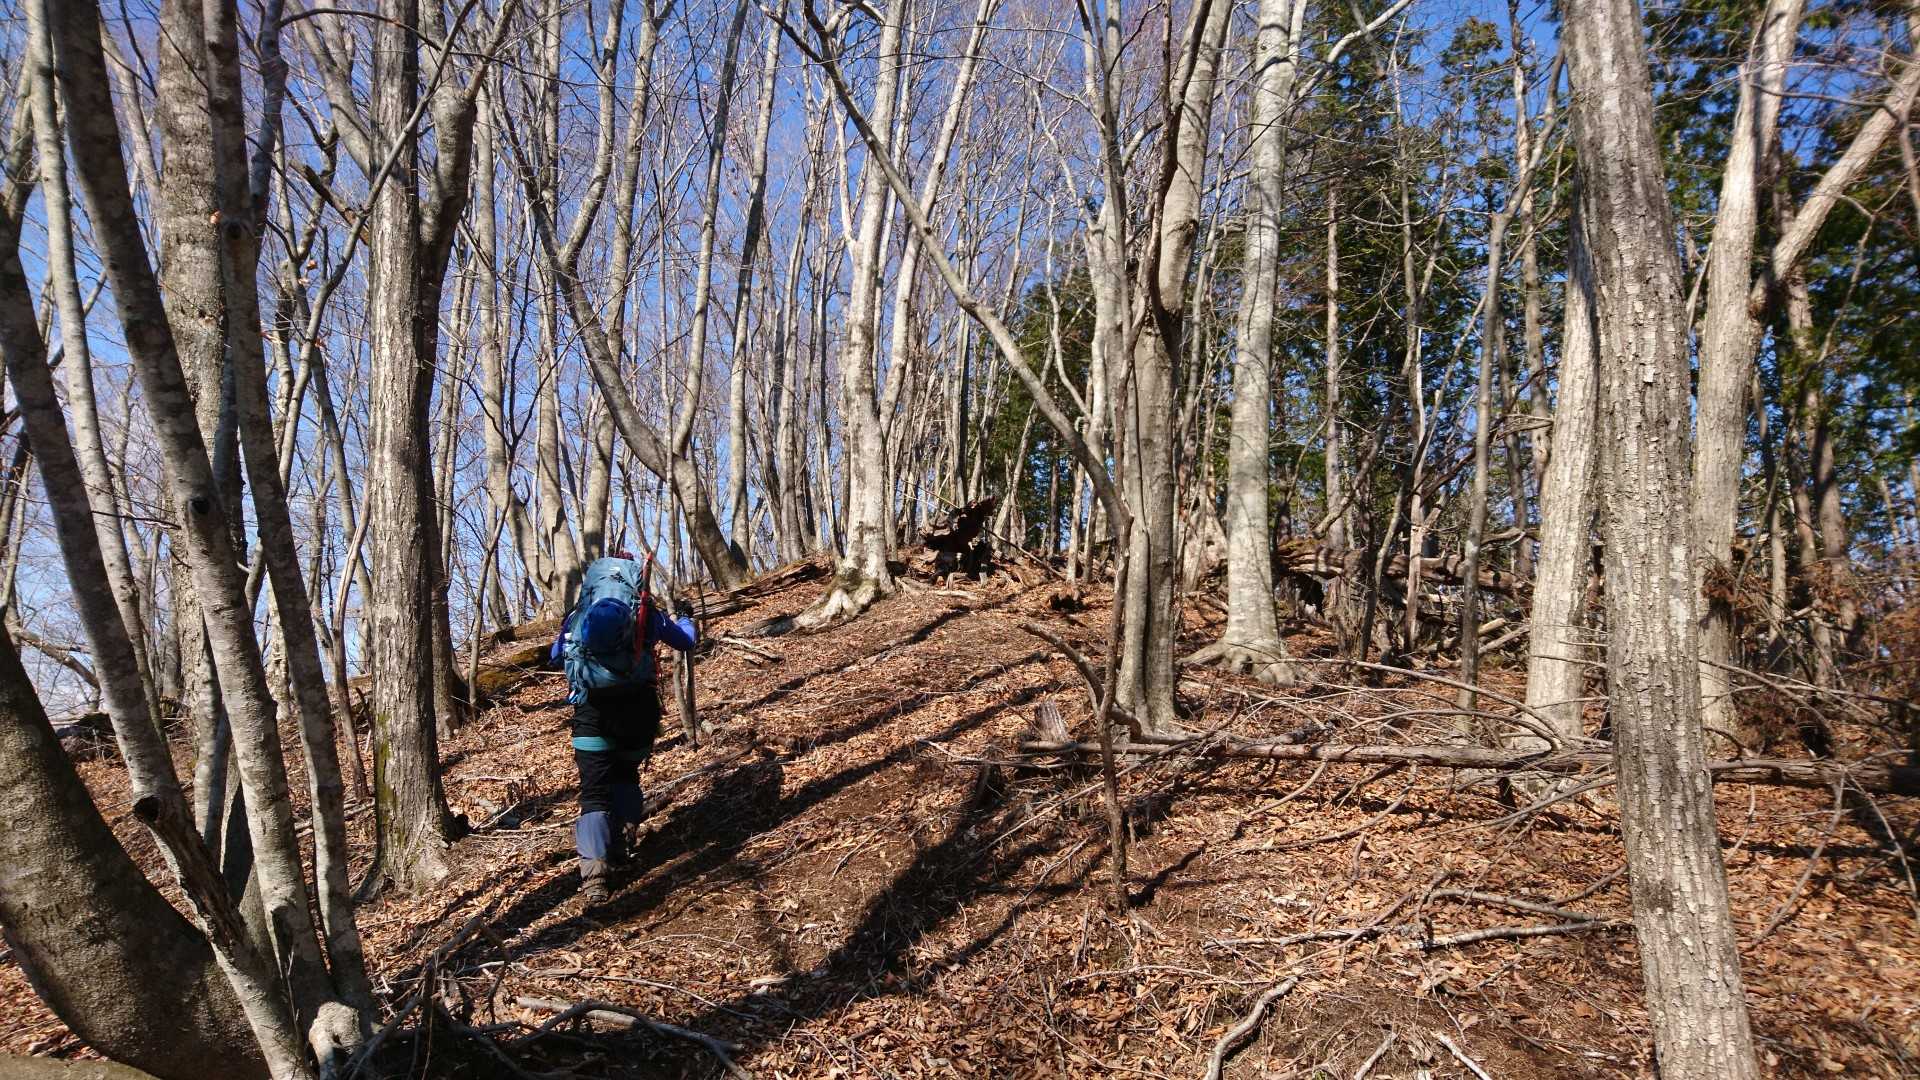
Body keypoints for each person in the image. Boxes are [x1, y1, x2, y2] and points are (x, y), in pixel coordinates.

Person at [549, 551, 697, 904]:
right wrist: (686, 618)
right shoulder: (644, 614)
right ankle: (622, 841)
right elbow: (686, 640)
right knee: (627, 776)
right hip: (638, 713)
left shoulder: (579, 616)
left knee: (594, 794)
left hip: (591, 714)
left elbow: (555, 656)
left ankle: (594, 878)